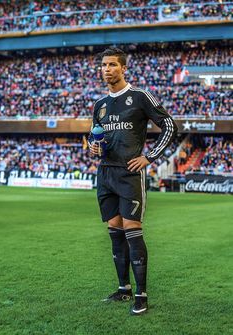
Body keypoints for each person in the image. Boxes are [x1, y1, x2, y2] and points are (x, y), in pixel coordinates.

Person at [89, 47, 178, 315]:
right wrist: (93, 147)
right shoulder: (100, 105)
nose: (107, 69)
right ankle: (123, 289)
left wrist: (149, 157)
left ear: (124, 68)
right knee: (114, 230)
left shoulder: (139, 97)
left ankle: (141, 295)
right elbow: (95, 138)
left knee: (132, 228)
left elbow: (169, 125)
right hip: (105, 174)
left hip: (129, 174)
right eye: (103, 65)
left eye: (112, 65)